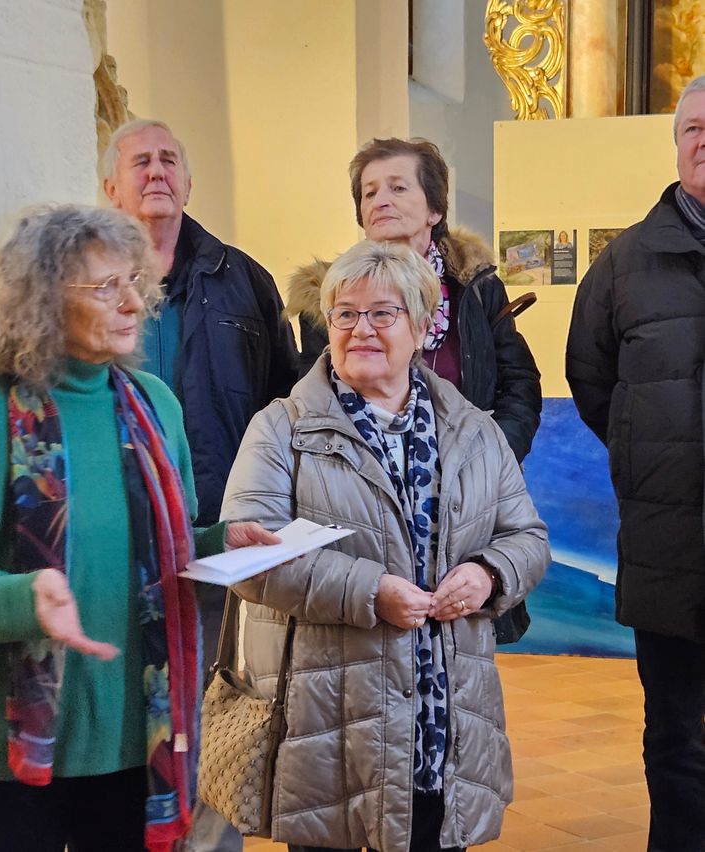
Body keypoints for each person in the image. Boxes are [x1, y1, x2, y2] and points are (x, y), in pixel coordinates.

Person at [0, 206, 277, 852]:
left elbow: (169, 546)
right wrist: (20, 600)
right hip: (6, 758)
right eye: (107, 288)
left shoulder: (155, 407)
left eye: (135, 280)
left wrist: (222, 542)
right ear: (42, 302)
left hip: (141, 745)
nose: (134, 302)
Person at [223, 240, 550, 851]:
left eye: (383, 313)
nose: (361, 329)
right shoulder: (281, 428)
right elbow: (251, 558)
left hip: (442, 722)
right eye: (345, 313)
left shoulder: (475, 431)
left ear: (422, 328)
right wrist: (370, 592)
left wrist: (487, 573)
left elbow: (526, 538)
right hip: (330, 724)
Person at [102, 118, 299, 851]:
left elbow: (282, 401)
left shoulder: (241, 279)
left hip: (219, 535)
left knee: (220, 712)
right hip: (114, 543)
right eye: (140, 160)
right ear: (110, 186)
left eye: (170, 160)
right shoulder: (88, 279)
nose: (157, 171)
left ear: (189, 181)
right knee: (126, 713)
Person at [285, 137, 541, 645]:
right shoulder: (331, 298)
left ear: (435, 208)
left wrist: (489, 461)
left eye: (398, 187)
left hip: (465, 506)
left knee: (463, 649)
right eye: (369, 192)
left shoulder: (476, 288)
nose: (380, 200)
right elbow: (311, 407)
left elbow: (519, 384)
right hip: (366, 510)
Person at [566, 75, 705, 852]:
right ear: (676, 141)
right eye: (692, 128)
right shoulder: (623, 265)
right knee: (677, 733)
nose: (704, 139)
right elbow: (593, 380)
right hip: (667, 539)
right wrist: (644, 447)